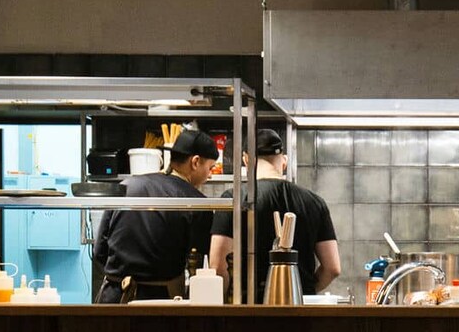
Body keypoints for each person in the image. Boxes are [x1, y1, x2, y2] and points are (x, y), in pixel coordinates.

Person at [207, 128, 343, 296]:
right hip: (299, 310)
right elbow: (333, 268)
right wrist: (303, 292)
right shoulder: (314, 202)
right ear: (284, 160)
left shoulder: (233, 199)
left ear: (246, 160)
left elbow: (217, 264)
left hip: (248, 306)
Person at [92, 127, 219, 303]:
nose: (210, 176)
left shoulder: (126, 185)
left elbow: (99, 252)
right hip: (160, 301)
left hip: (113, 297)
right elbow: (199, 267)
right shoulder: (197, 203)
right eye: (210, 168)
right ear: (195, 162)